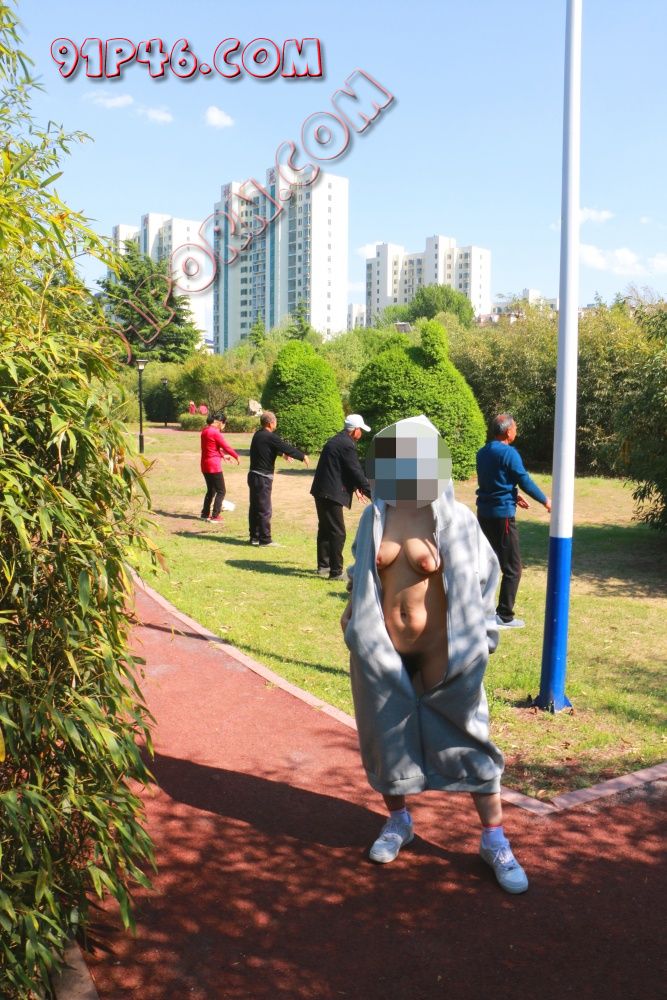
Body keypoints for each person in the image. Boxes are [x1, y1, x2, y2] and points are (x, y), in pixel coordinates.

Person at [340, 415, 528, 894]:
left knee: (470, 738)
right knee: (385, 738)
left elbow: (484, 578)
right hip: (383, 652)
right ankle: (399, 821)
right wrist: (351, 616)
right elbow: (361, 570)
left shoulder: (456, 519)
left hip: (443, 653)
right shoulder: (374, 517)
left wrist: (482, 639)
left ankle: (494, 839)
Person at [476, 413, 551, 629]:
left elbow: (493, 481)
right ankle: (504, 615)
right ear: (508, 431)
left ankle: (477, 611)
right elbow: (524, 480)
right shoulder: (509, 453)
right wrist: (545, 501)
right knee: (513, 568)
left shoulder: (483, 452)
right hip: (502, 516)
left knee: (485, 564)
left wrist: (513, 494)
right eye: (515, 428)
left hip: (484, 514)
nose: (516, 431)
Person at [310, 414, 373, 581]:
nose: (361, 434)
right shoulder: (346, 444)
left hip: (322, 490)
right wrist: (373, 494)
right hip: (330, 492)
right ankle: (336, 571)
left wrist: (356, 488)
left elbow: (341, 468)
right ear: (355, 430)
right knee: (338, 533)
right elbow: (355, 470)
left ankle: (324, 566)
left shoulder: (337, 440)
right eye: (360, 430)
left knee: (326, 529)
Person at [248, 411, 309, 546]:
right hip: (263, 477)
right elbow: (285, 446)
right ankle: (265, 539)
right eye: (275, 421)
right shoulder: (270, 436)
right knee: (264, 509)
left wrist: (282, 454)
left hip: (254, 475)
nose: (276, 423)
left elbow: (268, 447)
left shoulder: (258, 434)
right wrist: (302, 456)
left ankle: (255, 537)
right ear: (271, 423)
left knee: (255, 507)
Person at [200, 412, 240, 523]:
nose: (224, 426)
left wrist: (222, 456)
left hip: (205, 464)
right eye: (224, 424)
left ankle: (204, 513)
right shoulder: (215, 432)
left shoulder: (205, 430)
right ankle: (215, 516)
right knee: (221, 491)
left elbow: (211, 448)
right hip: (213, 465)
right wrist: (236, 456)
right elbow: (226, 446)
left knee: (211, 490)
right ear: (220, 422)